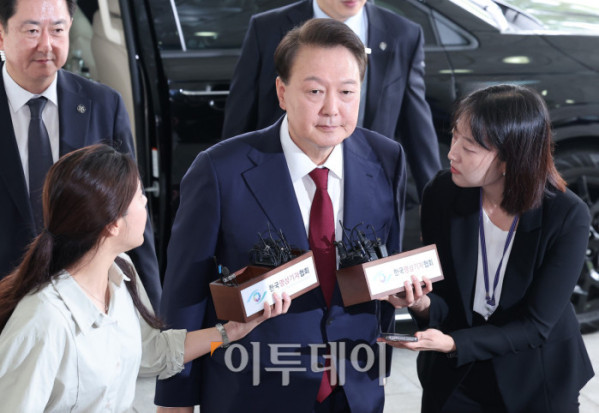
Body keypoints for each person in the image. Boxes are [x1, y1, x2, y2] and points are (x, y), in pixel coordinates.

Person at [156, 18, 409, 413]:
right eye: (314, 91)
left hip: (354, 394)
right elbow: (184, 299)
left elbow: (384, 268)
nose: (332, 109)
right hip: (253, 393)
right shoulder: (221, 170)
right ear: (281, 92)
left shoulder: (386, 159)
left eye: (347, 92)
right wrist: (175, 405)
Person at [0, 144, 291, 412]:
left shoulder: (121, 271)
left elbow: (152, 353)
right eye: (139, 194)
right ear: (113, 224)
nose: (146, 201)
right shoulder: (43, 320)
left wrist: (232, 330)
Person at [381, 85, 595, 413]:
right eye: (454, 137)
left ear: (510, 158)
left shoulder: (566, 215)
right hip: (457, 372)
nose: (452, 154)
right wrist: (421, 302)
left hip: (534, 375)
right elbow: (446, 296)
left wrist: (453, 342)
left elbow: (536, 325)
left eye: (468, 147)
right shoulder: (442, 192)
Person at [0, 0, 162, 310]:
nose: (46, 45)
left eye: (57, 30)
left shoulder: (103, 105)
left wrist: (152, 307)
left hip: (85, 301)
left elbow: (129, 208)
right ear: (1, 34)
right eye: (32, 31)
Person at [222, 0, 441, 198]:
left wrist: (435, 199)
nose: (331, 109)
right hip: (279, 179)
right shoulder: (267, 27)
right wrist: (227, 186)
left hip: (369, 186)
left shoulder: (403, 34)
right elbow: (241, 115)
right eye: (315, 90)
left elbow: (416, 126)